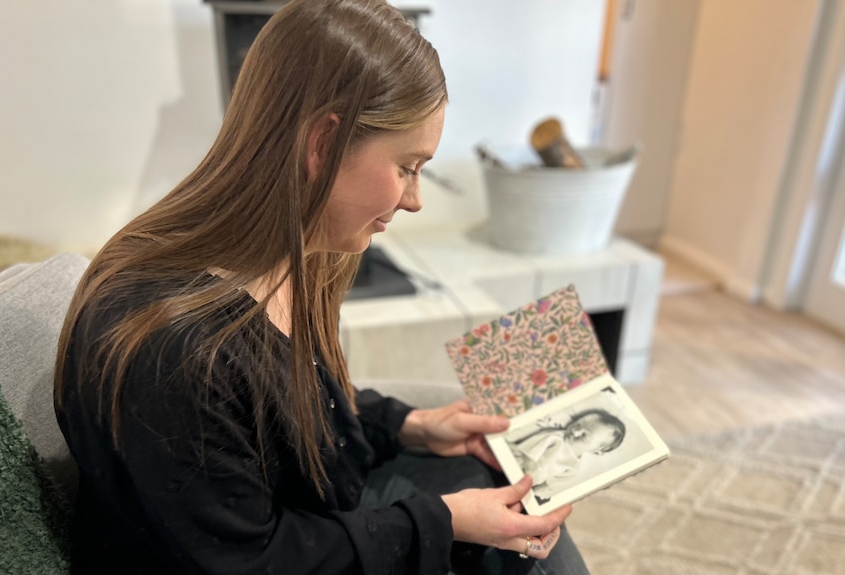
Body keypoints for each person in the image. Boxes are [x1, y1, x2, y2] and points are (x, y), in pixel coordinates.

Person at [53, 1, 590, 573]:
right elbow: (251, 560)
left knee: (514, 499)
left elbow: (287, 411)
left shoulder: (300, 257)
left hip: (314, 517)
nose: (415, 199)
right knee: (520, 553)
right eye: (408, 167)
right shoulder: (179, 350)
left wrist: (408, 424)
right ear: (322, 143)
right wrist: (446, 521)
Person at [507, 409, 626, 502]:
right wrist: (530, 472)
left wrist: (533, 493)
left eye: (584, 436)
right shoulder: (555, 437)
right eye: (577, 425)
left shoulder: (573, 468)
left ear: (597, 451)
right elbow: (527, 451)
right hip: (518, 464)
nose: (575, 432)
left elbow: (547, 485)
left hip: (524, 485)